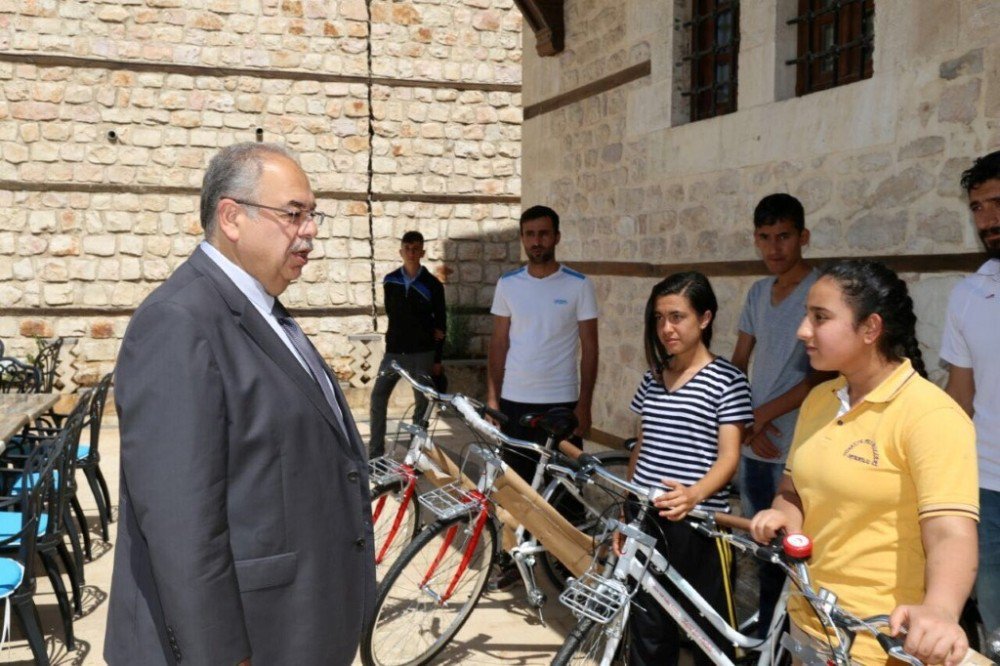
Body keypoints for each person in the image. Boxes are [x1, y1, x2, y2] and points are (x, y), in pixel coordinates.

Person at [106, 143, 375, 665]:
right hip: (242, 642)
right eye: (293, 213)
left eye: (312, 214)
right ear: (231, 217)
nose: (310, 230)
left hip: (292, 627)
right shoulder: (180, 323)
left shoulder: (262, 312)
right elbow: (181, 525)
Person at [751, 259, 979, 666]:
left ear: (870, 329)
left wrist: (942, 611)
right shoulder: (820, 401)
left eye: (819, 317)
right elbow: (793, 491)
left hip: (878, 643)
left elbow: (951, 533)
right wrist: (781, 514)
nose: (803, 330)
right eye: (807, 315)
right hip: (808, 625)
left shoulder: (931, 416)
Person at [622, 272, 753, 665]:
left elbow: (729, 458)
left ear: (705, 318)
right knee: (647, 629)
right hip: (646, 520)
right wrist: (627, 510)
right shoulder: (653, 377)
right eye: (660, 318)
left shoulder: (728, 380)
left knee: (707, 633)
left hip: (698, 527)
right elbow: (641, 448)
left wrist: (692, 495)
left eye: (677, 317)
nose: (666, 328)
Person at [731, 193, 827, 635]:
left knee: (800, 553)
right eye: (765, 238)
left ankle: (794, 639)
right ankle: (768, 635)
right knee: (762, 549)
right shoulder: (756, 292)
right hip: (755, 445)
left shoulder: (820, 292)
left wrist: (761, 417)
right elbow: (737, 363)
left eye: (784, 236)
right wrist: (744, 425)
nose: (774, 248)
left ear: (803, 237)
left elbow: (820, 377)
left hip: (798, 446)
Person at [486, 204, 599, 481]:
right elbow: (498, 343)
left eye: (544, 234)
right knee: (516, 489)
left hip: (561, 402)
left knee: (563, 495)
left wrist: (584, 405)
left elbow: (591, 348)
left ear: (557, 237)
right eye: (530, 234)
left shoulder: (578, 284)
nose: (537, 241)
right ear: (523, 238)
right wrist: (492, 398)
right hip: (514, 401)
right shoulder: (507, 283)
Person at [941, 149, 1000, 656]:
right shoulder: (968, 295)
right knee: (995, 629)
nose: (989, 220)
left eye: (999, 203)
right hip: (987, 492)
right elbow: (958, 401)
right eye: (978, 207)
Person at [368, 230, 446, 459]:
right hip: (393, 354)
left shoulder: (432, 285)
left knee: (421, 407)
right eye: (407, 249)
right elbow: (393, 314)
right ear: (401, 251)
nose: (411, 253)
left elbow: (441, 325)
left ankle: (414, 455)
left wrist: (438, 359)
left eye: (416, 249)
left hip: (422, 354)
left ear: (422, 252)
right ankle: (375, 455)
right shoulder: (390, 280)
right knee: (377, 398)